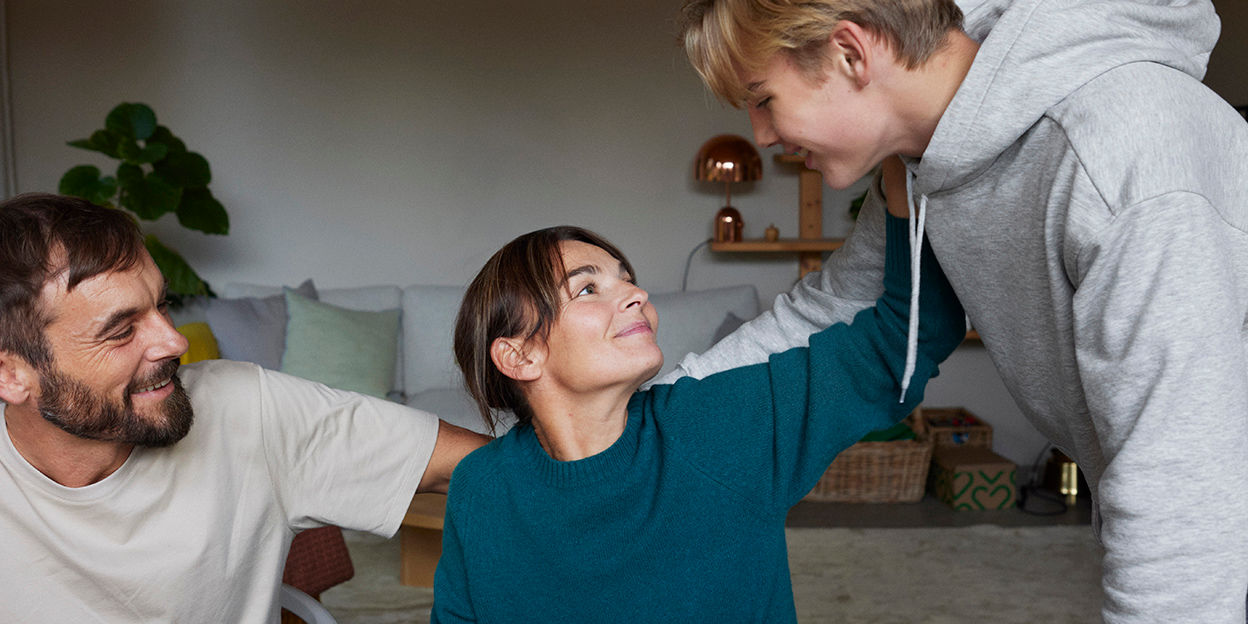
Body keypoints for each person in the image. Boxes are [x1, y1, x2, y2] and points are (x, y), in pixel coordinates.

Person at [673, 0, 1248, 621]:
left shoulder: (1121, 146)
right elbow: (832, 310)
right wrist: (642, 409)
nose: (761, 135)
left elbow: (1183, 495)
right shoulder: (923, 163)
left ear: (850, 54)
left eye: (762, 99)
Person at [430, 212, 965, 623]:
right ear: (520, 356)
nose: (637, 294)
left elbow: (912, 335)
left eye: (627, 279)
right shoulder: (482, 485)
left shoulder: (718, 427)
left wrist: (905, 162)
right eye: (588, 288)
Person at [0, 193, 489, 622]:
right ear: (10, 374)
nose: (173, 342)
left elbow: (492, 469)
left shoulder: (245, 409)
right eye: (122, 331)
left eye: (163, 304)